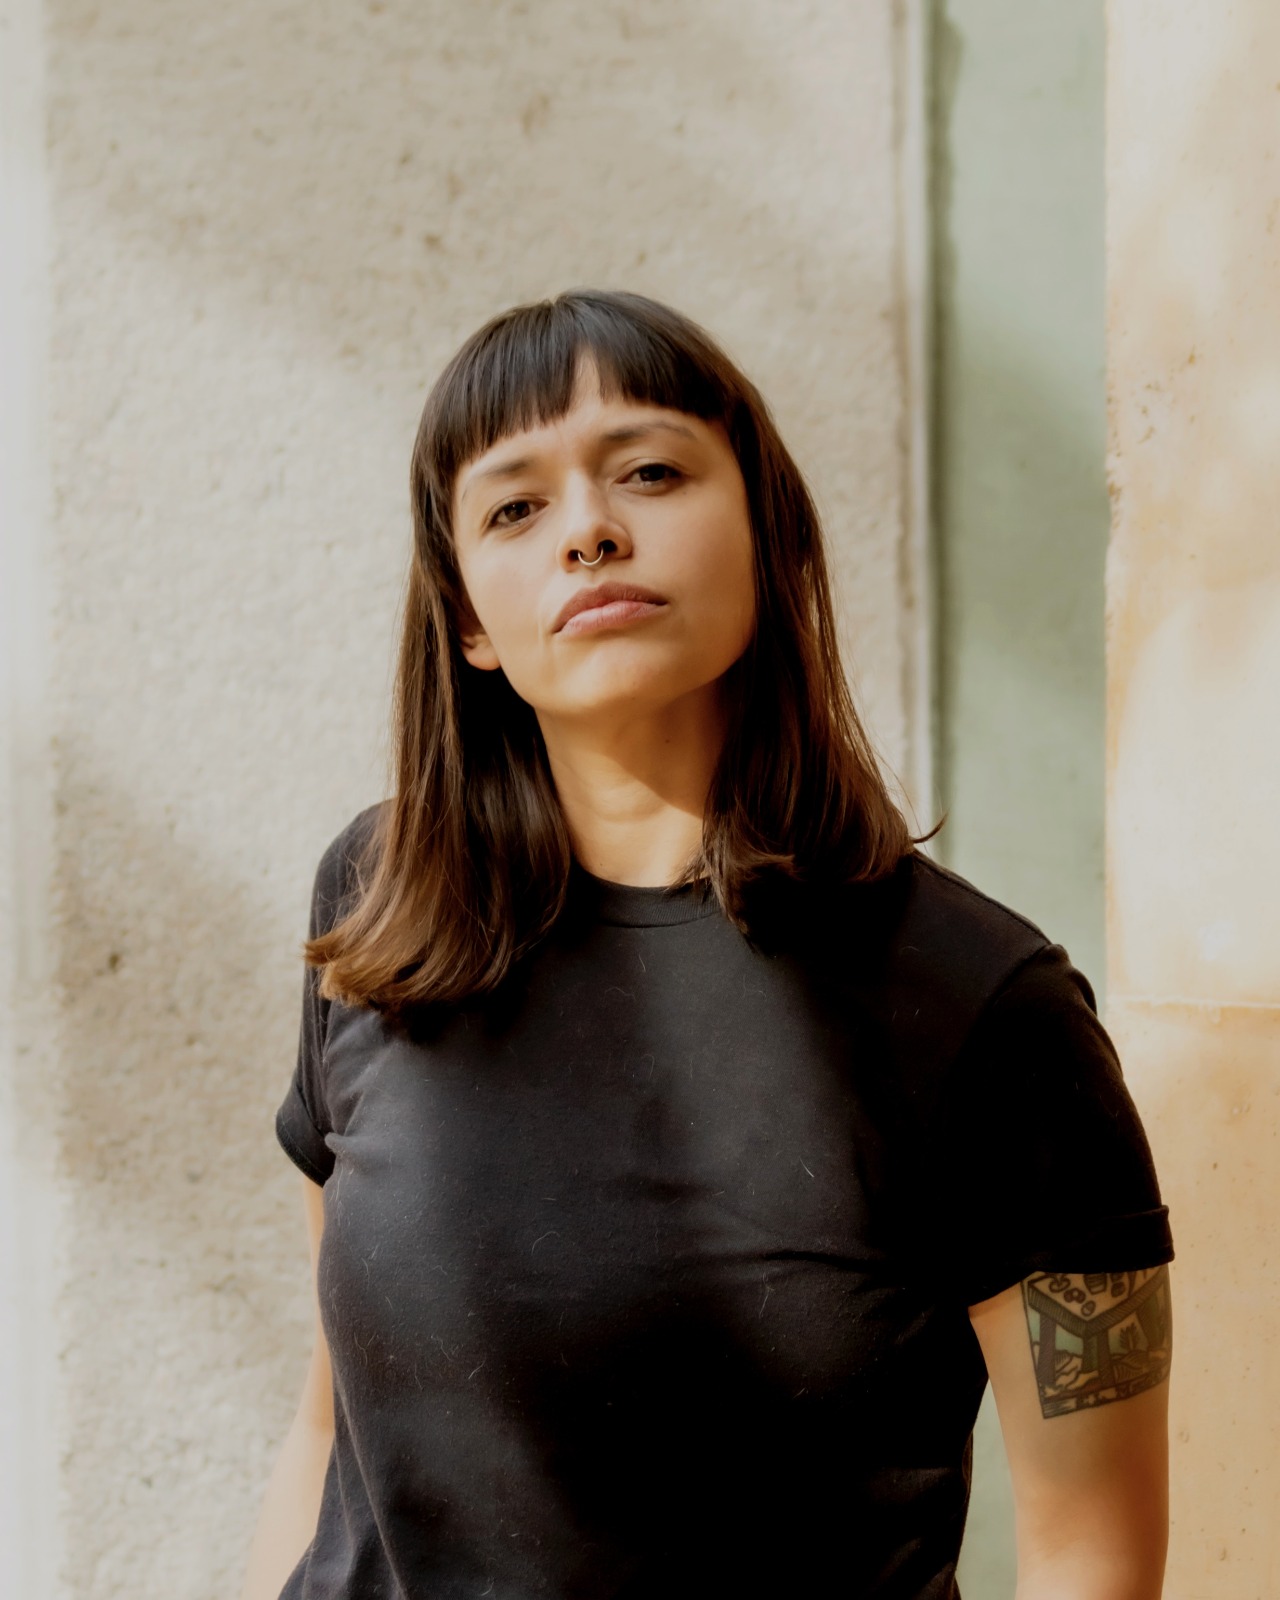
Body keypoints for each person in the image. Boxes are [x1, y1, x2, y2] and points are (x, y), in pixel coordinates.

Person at [238, 288, 1174, 1600]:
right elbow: (330, 1428)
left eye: (649, 472)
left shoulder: (984, 1011)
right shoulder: (384, 912)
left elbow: (1092, 1557)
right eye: (515, 508)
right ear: (466, 622)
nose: (589, 531)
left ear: (770, 533)